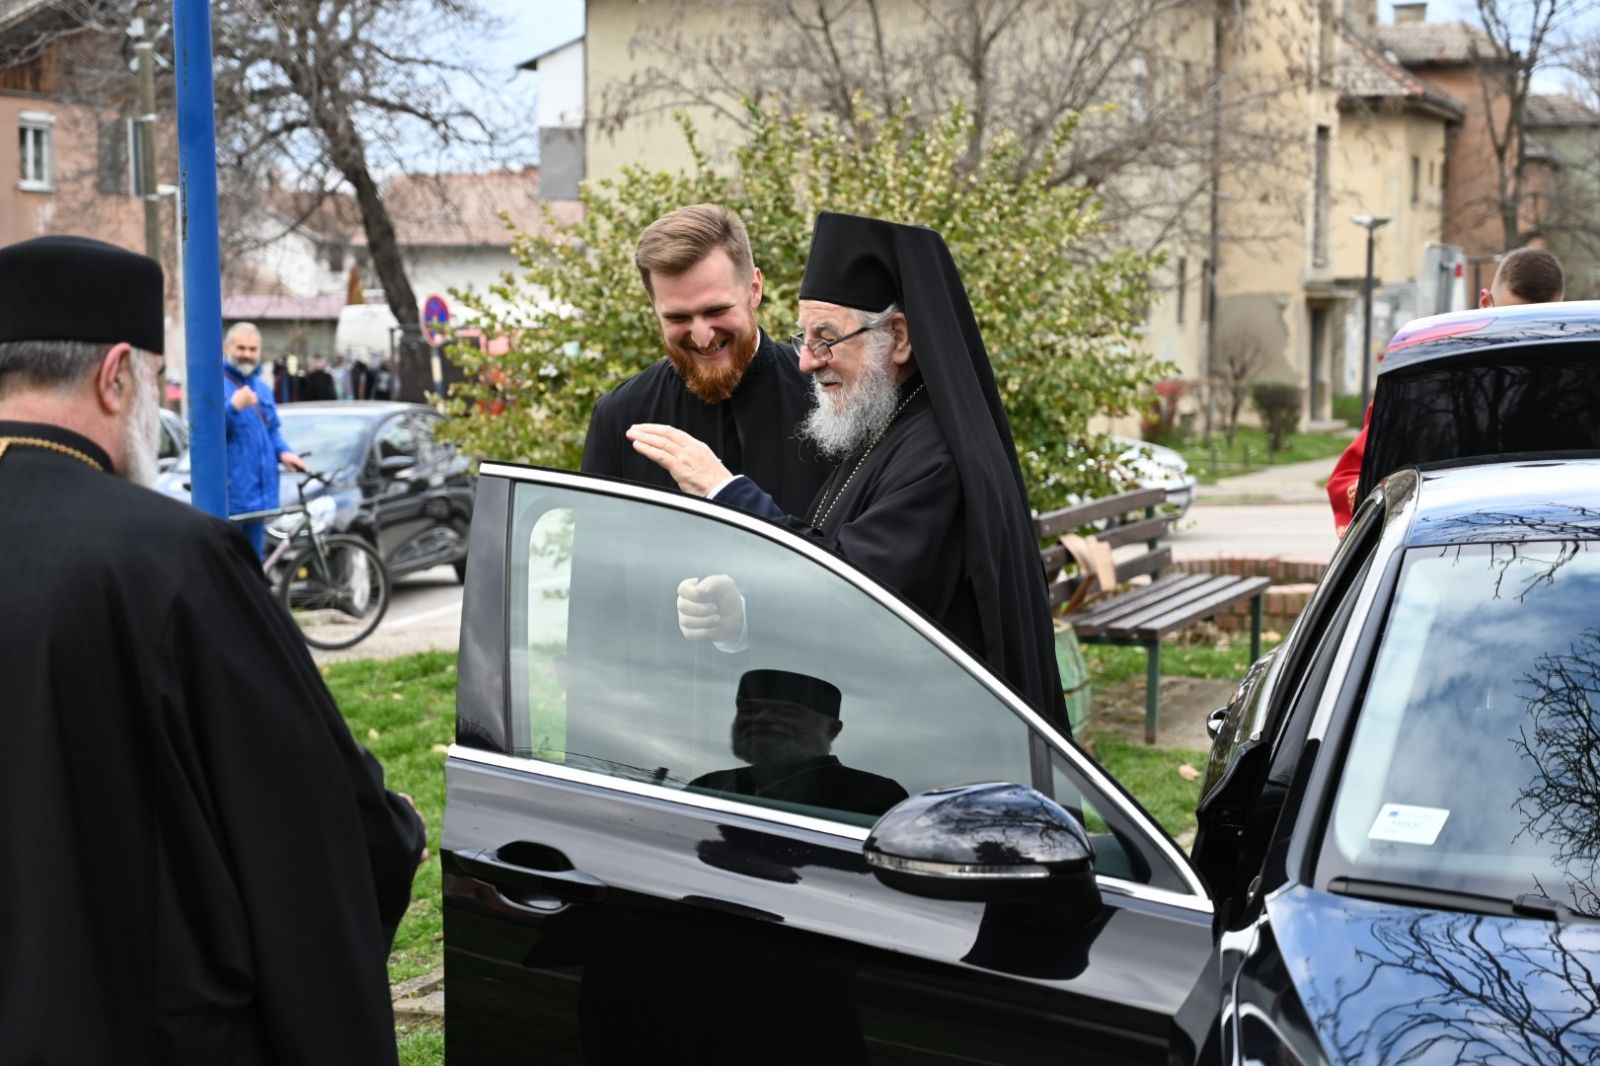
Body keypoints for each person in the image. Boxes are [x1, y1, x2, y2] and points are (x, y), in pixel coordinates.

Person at [0, 235, 426, 1064]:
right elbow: (297, 809)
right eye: (155, 381)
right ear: (116, 376)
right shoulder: (167, 557)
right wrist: (388, 828)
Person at [628, 211, 1069, 731]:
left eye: (827, 339)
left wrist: (725, 490)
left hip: (934, 743)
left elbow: (858, 599)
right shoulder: (885, 427)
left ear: (898, 337)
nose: (807, 362)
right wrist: (740, 618)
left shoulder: (937, 460)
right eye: (804, 338)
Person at [581, 203, 830, 515]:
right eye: (677, 317)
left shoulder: (828, 397)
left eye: (716, 311)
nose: (702, 337)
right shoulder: (620, 416)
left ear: (754, 290)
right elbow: (595, 543)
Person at [1326, 246, 1566, 535]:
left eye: (1541, 323)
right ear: (1485, 303)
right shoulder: (1432, 382)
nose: (1524, 339)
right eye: (1511, 321)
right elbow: (1352, 476)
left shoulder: (1579, 384)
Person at [689, 669, 908, 818]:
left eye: (786, 712)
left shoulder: (876, 797)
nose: (761, 719)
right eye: (749, 710)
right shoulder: (709, 785)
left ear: (832, 730)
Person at [224, 320, 307, 556]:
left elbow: (271, 431)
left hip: (259, 497)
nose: (247, 355)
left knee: (254, 564)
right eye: (241, 348)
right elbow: (206, 434)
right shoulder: (215, 385)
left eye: (252, 349)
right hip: (232, 498)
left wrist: (284, 452)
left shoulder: (262, 389)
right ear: (227, 348)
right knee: (230, 565)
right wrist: (233, 407)